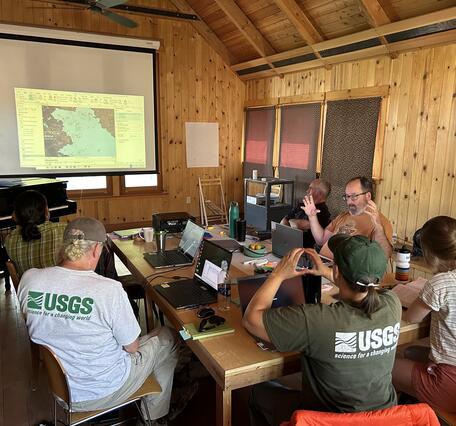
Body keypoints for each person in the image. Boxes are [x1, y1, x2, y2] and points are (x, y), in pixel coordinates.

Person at [17, 217, 178, 424]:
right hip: (105, 389)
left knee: (151, 335)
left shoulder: (30, 280)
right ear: (96, 250)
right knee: (168, 337)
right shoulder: (108, 291)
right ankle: (153, 417)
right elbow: (132, 347)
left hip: (61, 391)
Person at [243, 235, 401, 426]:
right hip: (385, 419)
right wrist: (328, 273)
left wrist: (278, 274)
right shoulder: (392, 304)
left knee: (258, 391)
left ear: (337, 271)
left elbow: (251, 320)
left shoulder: (317, 320)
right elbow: (365, 290)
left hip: (327, 420)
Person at [392, 216, 456, 413]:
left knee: (379, 367)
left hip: (448, 382)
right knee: (409, 352)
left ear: (431, 254)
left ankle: (393, 416)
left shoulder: (441, 282)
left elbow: (412, 317)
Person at [303, 176, 393, 259]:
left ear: (368, 196)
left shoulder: (380, 221)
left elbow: (384, 255)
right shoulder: (343, 216)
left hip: (344, 274)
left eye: (354, 196)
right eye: (347, 196)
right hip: (323, 267)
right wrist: (312, 216)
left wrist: (378, 226)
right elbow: (321, 240)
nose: (349, 201)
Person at [5, 190, 66, 277]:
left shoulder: (9, 240)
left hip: (30, 290)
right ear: (46, 210)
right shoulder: (62, 229)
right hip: (59, 289)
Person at [280, 179, 331, 248]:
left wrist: (291, 221)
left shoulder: (322, 212)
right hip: (287, 243)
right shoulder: (301, 205)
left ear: (320, 193)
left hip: (304, 249)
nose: (307, 191)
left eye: (310, 189)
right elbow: (284, 220)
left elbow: (298, 225)